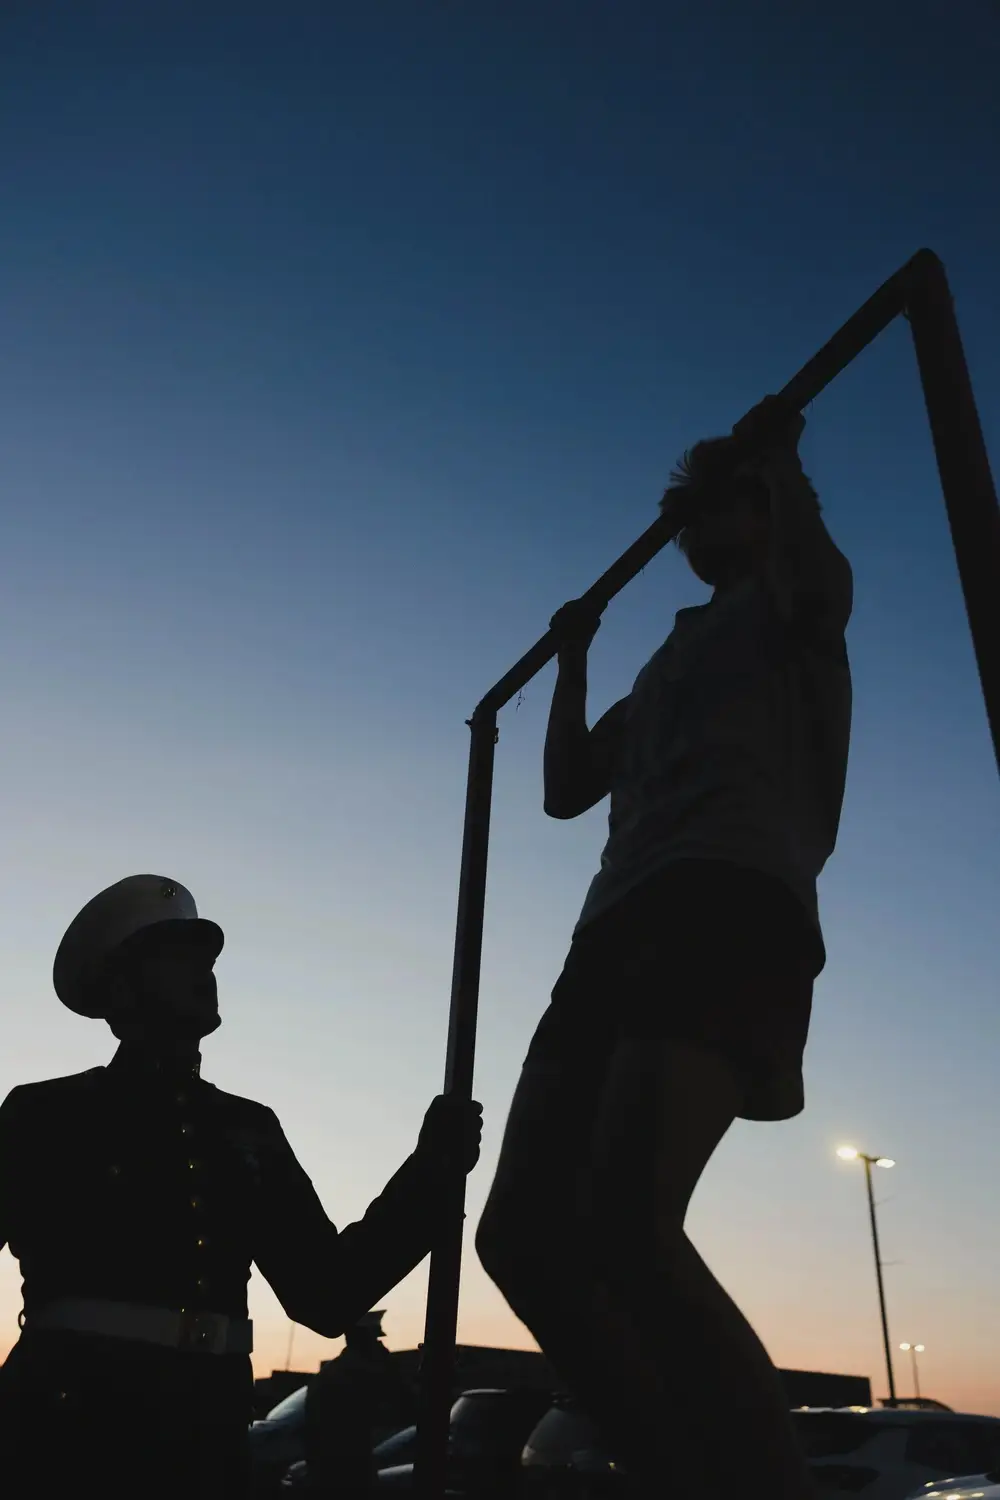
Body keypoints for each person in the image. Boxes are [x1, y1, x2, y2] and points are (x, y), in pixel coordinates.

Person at [476, 397, 853, 1499]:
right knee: (522, 1239)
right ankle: (671, 1473)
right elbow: (560, 792)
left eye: (709, 511)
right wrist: (573, 662)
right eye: (680, 521)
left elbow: (821, 582)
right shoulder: (666, 664)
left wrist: (780, 462)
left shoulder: (791, 604)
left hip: (727, 903)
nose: (691, 537)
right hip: (611, 929)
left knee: (630, 1227)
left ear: (761, 509)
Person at [0, 874, 482, 1500]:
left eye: (205, 959)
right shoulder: (46, 1114)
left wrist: (431, 1173)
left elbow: (327, 1294)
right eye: (177, 958)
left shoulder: (247, 1127)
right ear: (121, 989)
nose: (204, 972)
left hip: (206, 1438)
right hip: (71, 1432)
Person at [302, 1309, 415, 1496]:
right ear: (364, 1341)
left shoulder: (332, 1373)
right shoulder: (358, 1375)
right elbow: (404, 1407)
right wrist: (391, 1369)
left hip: (328, 1470)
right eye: (375, 1340)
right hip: (347, 1471)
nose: (380, 1345)